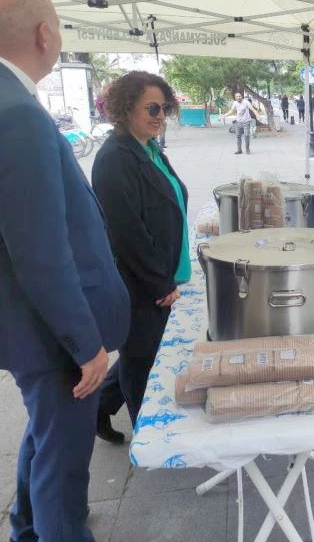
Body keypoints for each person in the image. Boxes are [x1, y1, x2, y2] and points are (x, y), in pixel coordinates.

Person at [0, 0, 130, 541]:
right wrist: (85, 345)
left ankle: (24, 527)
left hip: (28, 326)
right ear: (46, 35)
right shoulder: (16, 111)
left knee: (45, 435)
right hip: (51, 332)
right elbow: (40, 253)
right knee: (63, 465)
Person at [94, 71, 190, 437]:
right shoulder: (115, 157)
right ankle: (146, 434)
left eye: (165, 108)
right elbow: (126, 231)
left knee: (145, 347)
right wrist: (158, 283)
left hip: (158, 273)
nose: (160, 115)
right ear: (127, 106)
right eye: (152, 107)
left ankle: (99, 409)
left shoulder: (147, 148)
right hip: (138, 282)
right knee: (141, 359)